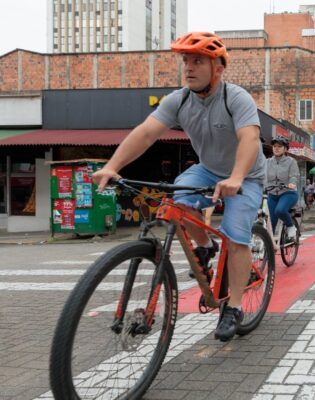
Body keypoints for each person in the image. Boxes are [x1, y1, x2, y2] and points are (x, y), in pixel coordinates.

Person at [92, 32, 265, 342]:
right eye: (186, 61)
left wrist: (237, 177)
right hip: (208, 170)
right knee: (176, 200)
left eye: (198, 61)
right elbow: (146, 133)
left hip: (246, 175)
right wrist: (112, 166)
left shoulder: (235, 97)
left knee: (236, 232)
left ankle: (234, 307)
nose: (189, 67)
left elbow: (250, 138)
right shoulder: (179, 99)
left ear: (218, 68)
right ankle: (205, 246)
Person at [266, 136, 300, 240]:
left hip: (288, 193)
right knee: (270, 224)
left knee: (280, 210)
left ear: (285, 149)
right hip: (272, 194)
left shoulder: (291, 161)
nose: (276, 148)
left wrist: (292, 183)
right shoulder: (267, 162)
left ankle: (290, 227)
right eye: (274, 146)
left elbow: (294, 175)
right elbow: (261, 176)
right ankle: (268, 249)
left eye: (279, 146)